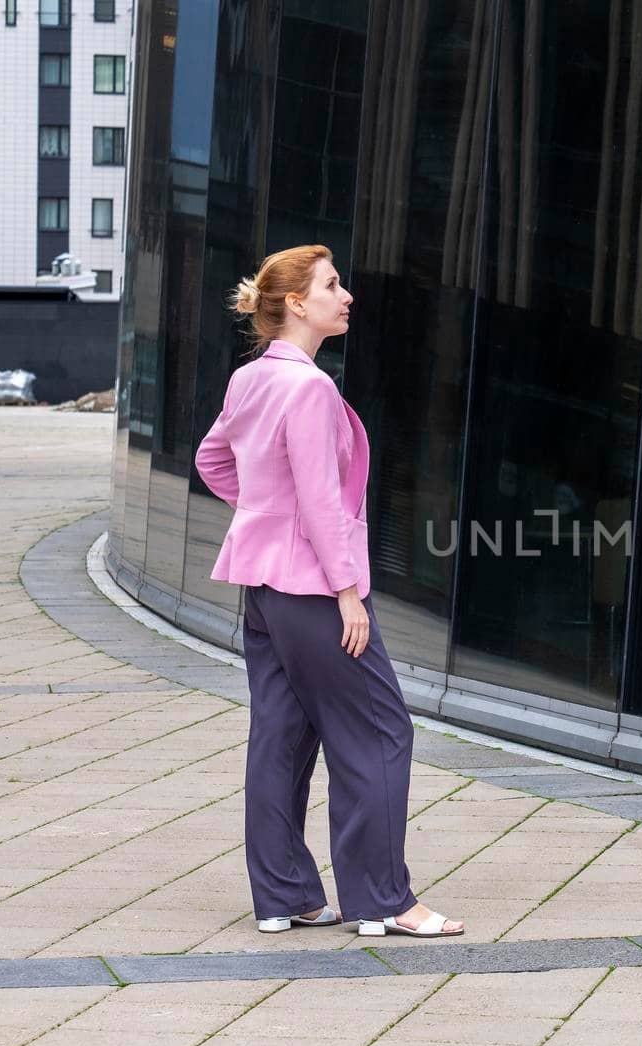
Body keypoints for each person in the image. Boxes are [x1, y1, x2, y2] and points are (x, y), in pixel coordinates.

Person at [194, 244, 463, 939]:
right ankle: (383, 899)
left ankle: (285, 894)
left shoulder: (251, 379)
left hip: (264, 588)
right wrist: (347, 590)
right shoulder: (308, 388)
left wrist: (262, 516)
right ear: (295, 304)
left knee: (280, 735)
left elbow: (212, 459)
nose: (346, 295)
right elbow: (316, 498)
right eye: (332, 285)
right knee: (378, 730)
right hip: (316, 588)